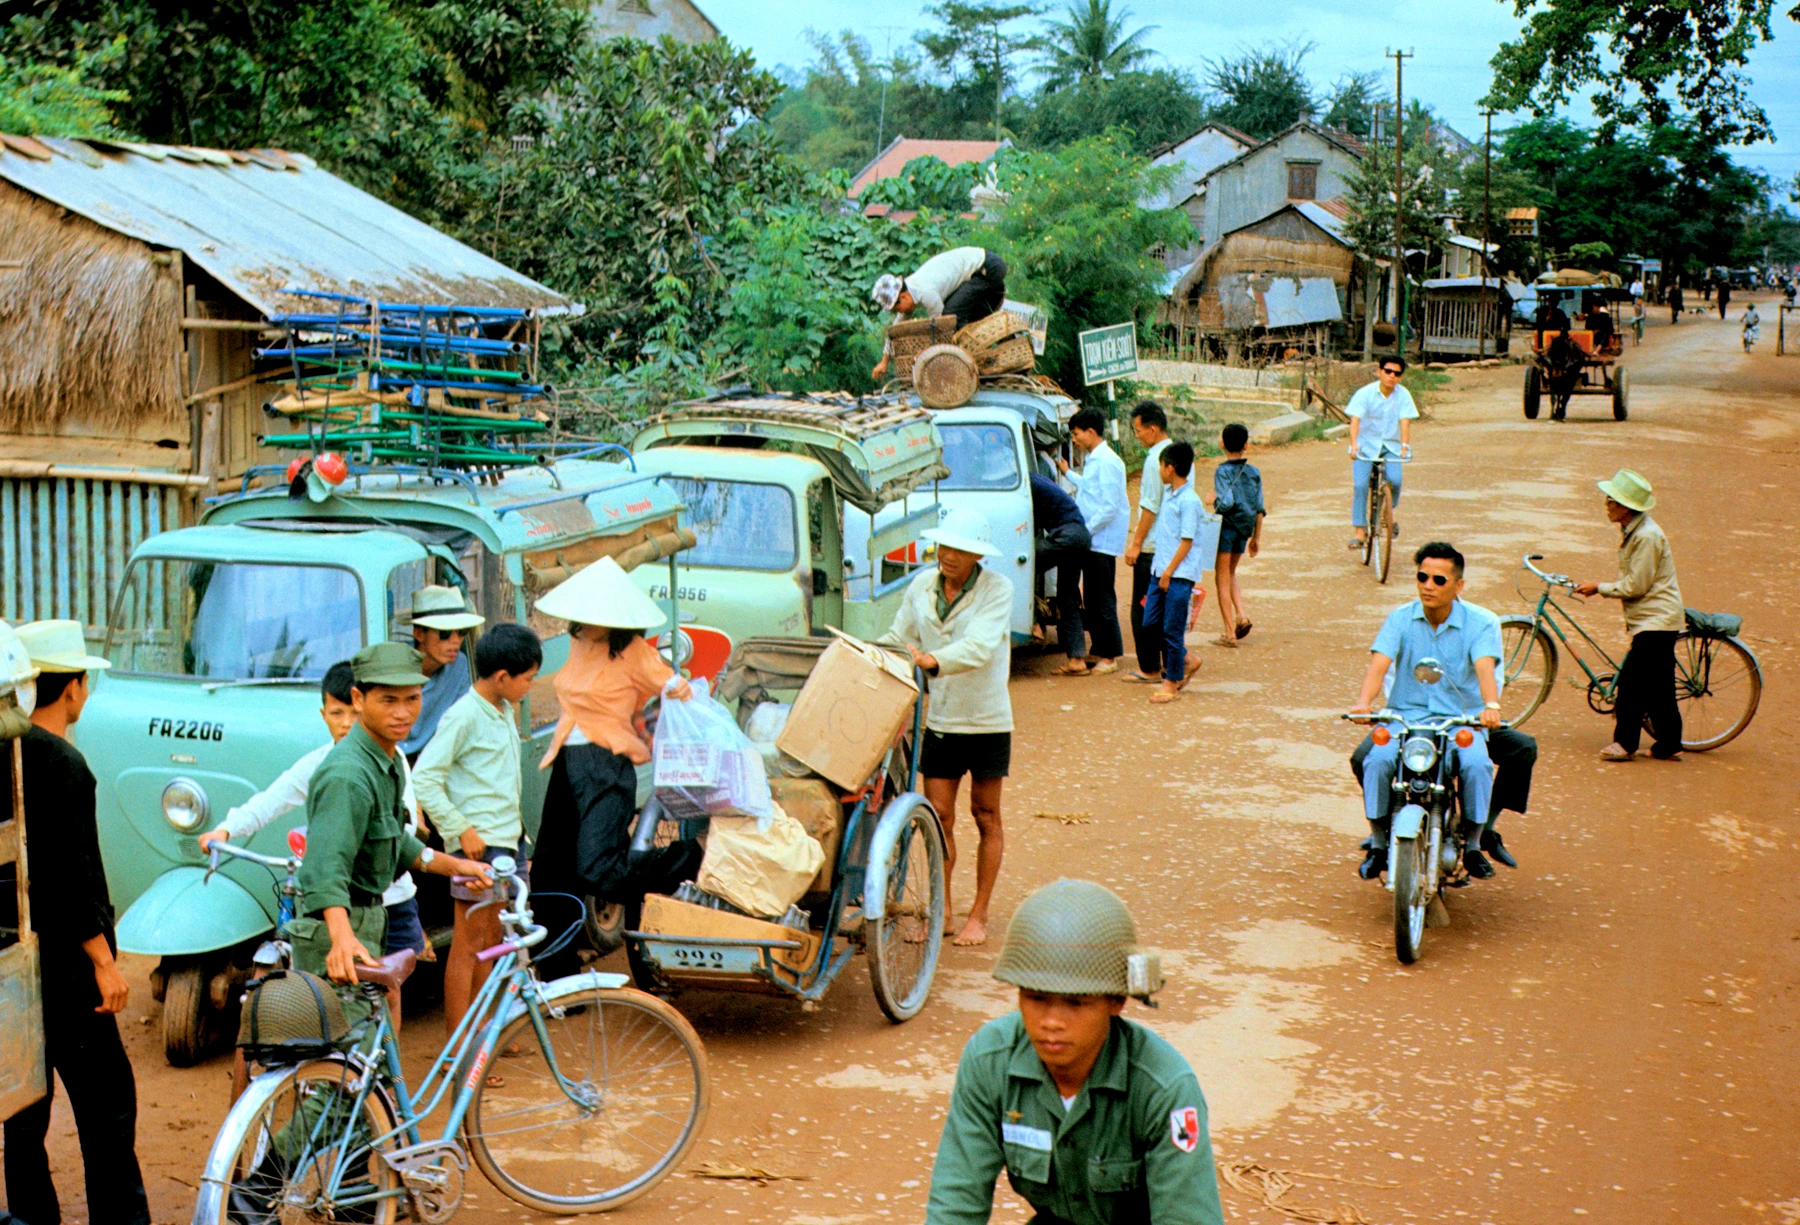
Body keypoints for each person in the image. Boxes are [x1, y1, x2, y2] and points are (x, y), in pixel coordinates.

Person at [924, 879, 1224, 1225]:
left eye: (1076, 1003)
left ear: (1116, 1001)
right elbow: (956, 1203)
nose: (1051, 1021)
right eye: (1036, 998)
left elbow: (1187, 1219)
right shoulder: (990, 1061)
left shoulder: (1164, 1088)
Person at [2, 621, 151, 1225]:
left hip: (17, 960)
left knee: (23, 1112)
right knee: (109, 1108)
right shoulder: (64, 764)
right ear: (75, 688)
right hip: (70, 968)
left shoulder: (8, 756)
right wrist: (105, 963)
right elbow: (71, 878)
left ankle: (34, 1219)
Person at [294, 642, 491, 1009]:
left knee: (380, 1037)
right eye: (388, 700)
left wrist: (455, 866)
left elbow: (392, 838)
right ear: (358, 698)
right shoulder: (348, 774)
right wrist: (341, 940)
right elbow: (325, 868)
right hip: (340, 927)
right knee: (346, 1056)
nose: (403, 713)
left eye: (412, 698)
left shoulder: (388, 758)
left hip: (370, 919)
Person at [530, 558, 700, 974]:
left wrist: (676, 706)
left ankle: (681, 864)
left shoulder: (633, 652)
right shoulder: (580, 642)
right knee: (551, 873)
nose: (584, 621)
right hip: (567, 762)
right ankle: (557, 975)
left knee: (595, 869)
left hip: (607, 766)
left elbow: (676, 688)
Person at [199, 661, 433, 962]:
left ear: (364, 706)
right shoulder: (321, 763)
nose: (347, 723)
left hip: (393, 898)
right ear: (324, 716)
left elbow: (406, 831)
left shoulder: (393, 757)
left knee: (392, 990)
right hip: (342, 905)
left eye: (354, 713)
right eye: (337, 713)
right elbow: (271, 800)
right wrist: (226, 829)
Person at [878, 508, 1013, 947]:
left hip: (988, 720)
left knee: (986, 815)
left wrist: (932, 660)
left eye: (960, 549)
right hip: (941, 721)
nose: (948, 555)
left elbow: (979, 647)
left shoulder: (998, 589)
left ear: (977, 556)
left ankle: (980, 913)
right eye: (945, 546)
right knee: (940, 820)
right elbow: (899, 636)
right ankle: (944, 910)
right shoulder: (921, 585)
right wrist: (883, 655)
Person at [1347, 543, 1505, 880]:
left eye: (1438, 579)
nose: (1428, 585)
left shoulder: (1479, 624)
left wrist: (1490, 707)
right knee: (1375, 760)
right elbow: (1379, 665)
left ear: (1458, 586)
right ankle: (1378, 844)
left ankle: (1474, 845)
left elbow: (1484, 668)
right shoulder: (1400, 618)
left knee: (1478, 765)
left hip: (1459, 720)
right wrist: (1364, 702)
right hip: (1405, 719)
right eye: (1422, 577)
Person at [413, 623, 541, 1037]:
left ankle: (485, 1035)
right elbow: (424, 779)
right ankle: (459, 1048)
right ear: (502, 677)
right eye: (529, 678)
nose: (531, 686)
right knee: (468, 949)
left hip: (507, 844)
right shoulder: (463, 715)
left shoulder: (503, 710)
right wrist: (460, 829)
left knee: (491, 943)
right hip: (478, 852)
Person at [1573, 470, 1685, 762]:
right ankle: (1669, 742)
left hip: (1656, 621)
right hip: (1651, 620)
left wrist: (1600, 587)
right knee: (1659, 689)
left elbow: (1637, 585)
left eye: (1611, 501)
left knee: (1632, 686)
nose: (1606, 505)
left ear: (1625, 506)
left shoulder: (1646, 536)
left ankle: (1625, 743)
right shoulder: (1634, 530)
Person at [1055, 407, 1128, 675]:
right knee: (1093, 596)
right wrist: (1068, 473)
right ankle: (1100, 648)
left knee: (1102, 597)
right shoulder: (1096, 460)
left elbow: (1109, 506)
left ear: (1091, 432)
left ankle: (1110, 655)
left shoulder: (1107, 461)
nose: (1073, 439)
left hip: (1101, 539)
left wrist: (1085, 530)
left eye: (1076, 434)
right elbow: (1090, 489)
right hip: (1093, 538)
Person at [870, 247, 1009, 379]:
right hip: (979, 273)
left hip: (988, 268)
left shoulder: (925, 292)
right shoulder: (911, 290)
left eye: (896, 309)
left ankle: (970, 364)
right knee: (958, 315)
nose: (899, 312)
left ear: (903, 297)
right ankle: (982, 355)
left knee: (952, 315)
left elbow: (942, 328)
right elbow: (895, 331)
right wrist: (884, 361)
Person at [1145, 443, 1207, 705]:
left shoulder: (1190, 501)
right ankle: (1185, 659)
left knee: (1172, 629)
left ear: (1169, 468)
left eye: (1161, 466)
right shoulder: (1170, 495)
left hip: (1178, 574)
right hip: (1160, 571)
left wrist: (1169, 572)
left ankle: (1171, 682)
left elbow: (1187, 540)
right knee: (1150, 622)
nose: (1160, 470)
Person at [397, 585, 484, 759]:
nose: (455, 641)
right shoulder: (395, 668)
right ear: (419, 634)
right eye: (444, 633)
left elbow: (461, 719)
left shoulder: (459, 665)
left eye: (461, 632)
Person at [1122, 402, 1172, 683]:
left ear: (1153, 429)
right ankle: (1167, 662)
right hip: (1169, 543)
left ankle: (1148, 667)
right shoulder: (1177, 454)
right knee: (1163, 606)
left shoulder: (1155, 459)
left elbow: (1151, 506)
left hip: (1152, 545)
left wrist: (1136, 542)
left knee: (1142, 606)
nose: (1136, 435)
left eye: (1138, 430)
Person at [1344, 356, 1416, 549]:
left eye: (1397, 373)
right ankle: (1360, 530)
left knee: (1396, 480)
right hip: (1366, 446)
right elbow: (1355, 420)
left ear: (1400, 377)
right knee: (1360, 485)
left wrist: (1404, 446)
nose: (1392, 376)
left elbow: (1405, 421)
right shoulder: (1365, 394)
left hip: (1390, 447)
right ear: (1379, 371)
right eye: (1388, 371)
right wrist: (1354, 445)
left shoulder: (1403, 395)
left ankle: (1387, 514)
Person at [1029, 469, 1093, 669]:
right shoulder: (1039, 480)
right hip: (1080, 536)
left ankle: (1035, 624)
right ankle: (1077, 659)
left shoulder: (1026, 482)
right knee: (1067, 598)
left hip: (1066, 535)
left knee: (1025, 571)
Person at [1208, 422, 1264, 648]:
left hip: (1227, 528)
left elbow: (1226, 502)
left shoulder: (1222, 471)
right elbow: (1260, 508)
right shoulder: (1254, 473)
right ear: (1246, 446)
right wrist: (1256, 538)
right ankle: (1241, 615)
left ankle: (1230, 632)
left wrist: (1213, 501)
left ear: (1222, 444)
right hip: (1244, 529)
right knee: (1231, 572)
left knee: (1221, 576)